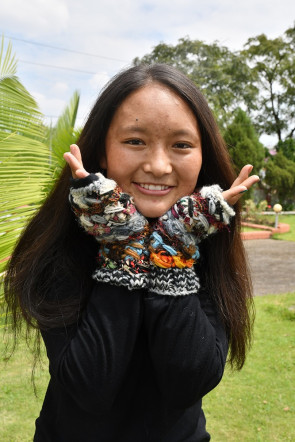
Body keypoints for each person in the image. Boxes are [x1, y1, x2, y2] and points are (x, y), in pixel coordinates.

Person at [4, 63, 259, 441]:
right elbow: (89, 388)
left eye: (181, 145)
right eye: (135, 141)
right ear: (102, 151)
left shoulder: (209, 240)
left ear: (203, 155)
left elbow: (189, 382)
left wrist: (172, 249)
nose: (158, 165)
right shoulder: (61, 244)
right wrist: (124, 245)